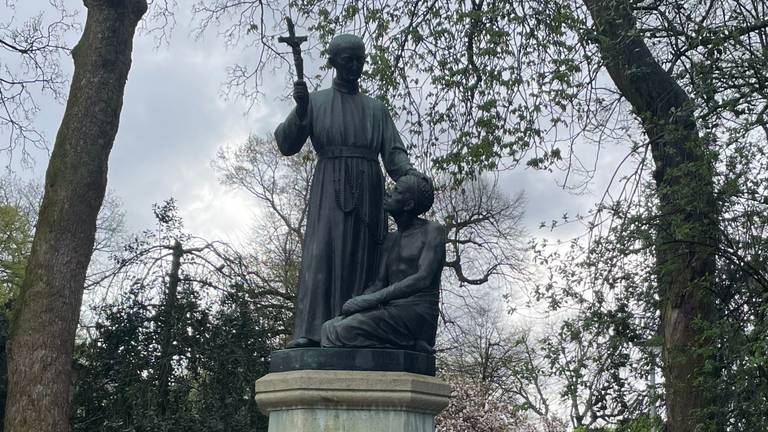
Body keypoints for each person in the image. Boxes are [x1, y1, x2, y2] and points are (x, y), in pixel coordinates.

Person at [275, 34, 415, 348]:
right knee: (323, 254)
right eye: (347, 59)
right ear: (334, 62)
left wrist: (411, 177)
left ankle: (360, 332)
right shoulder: (317, 102)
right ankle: (313, 332)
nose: (354, 66)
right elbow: (286, 144)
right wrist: (300, 110)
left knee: (367, 259)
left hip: (369, 189)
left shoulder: (376, 109)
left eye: (359, 59)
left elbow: (394, 154)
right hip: (330, 189)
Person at [321, 172, 446, 353]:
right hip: (391, 311)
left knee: (340, 332)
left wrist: (372, 299)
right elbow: (379, 283)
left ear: (409, 204)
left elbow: (423, 278)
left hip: (417, 312)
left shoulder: (433, 231)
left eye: (396, 191)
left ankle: (412, 342)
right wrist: (358, 303)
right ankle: (405, 343)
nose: (388, 193)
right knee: (329, 328)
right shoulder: (391, 240)